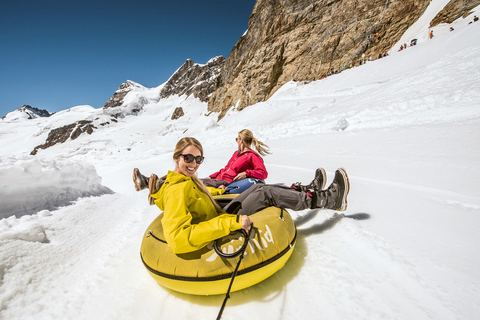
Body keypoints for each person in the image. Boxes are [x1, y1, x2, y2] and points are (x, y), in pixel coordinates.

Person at [135, 137, 350, 254]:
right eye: (189, 158)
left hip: (217, 213)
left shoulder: (184, 179)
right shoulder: (176, 190)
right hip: (219, 222)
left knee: (257, 189)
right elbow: (179, 239)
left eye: (198, 159)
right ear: (177, 157)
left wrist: (221, 191)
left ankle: (310, 191)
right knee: (265, 192)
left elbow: (200, 194)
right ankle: (327, 200)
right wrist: (232, 223)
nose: (194, 164)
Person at [203, 129, 270, 188]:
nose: (237, 141)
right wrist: (211, 177)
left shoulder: (252, 156)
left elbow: (263, 173)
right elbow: (226, 169)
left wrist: (246, 173)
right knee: (196, 181)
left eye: (237, 139)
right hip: (219, 179)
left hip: (227, 182)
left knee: (197, 184)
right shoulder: (236, 153)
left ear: (241, 140)